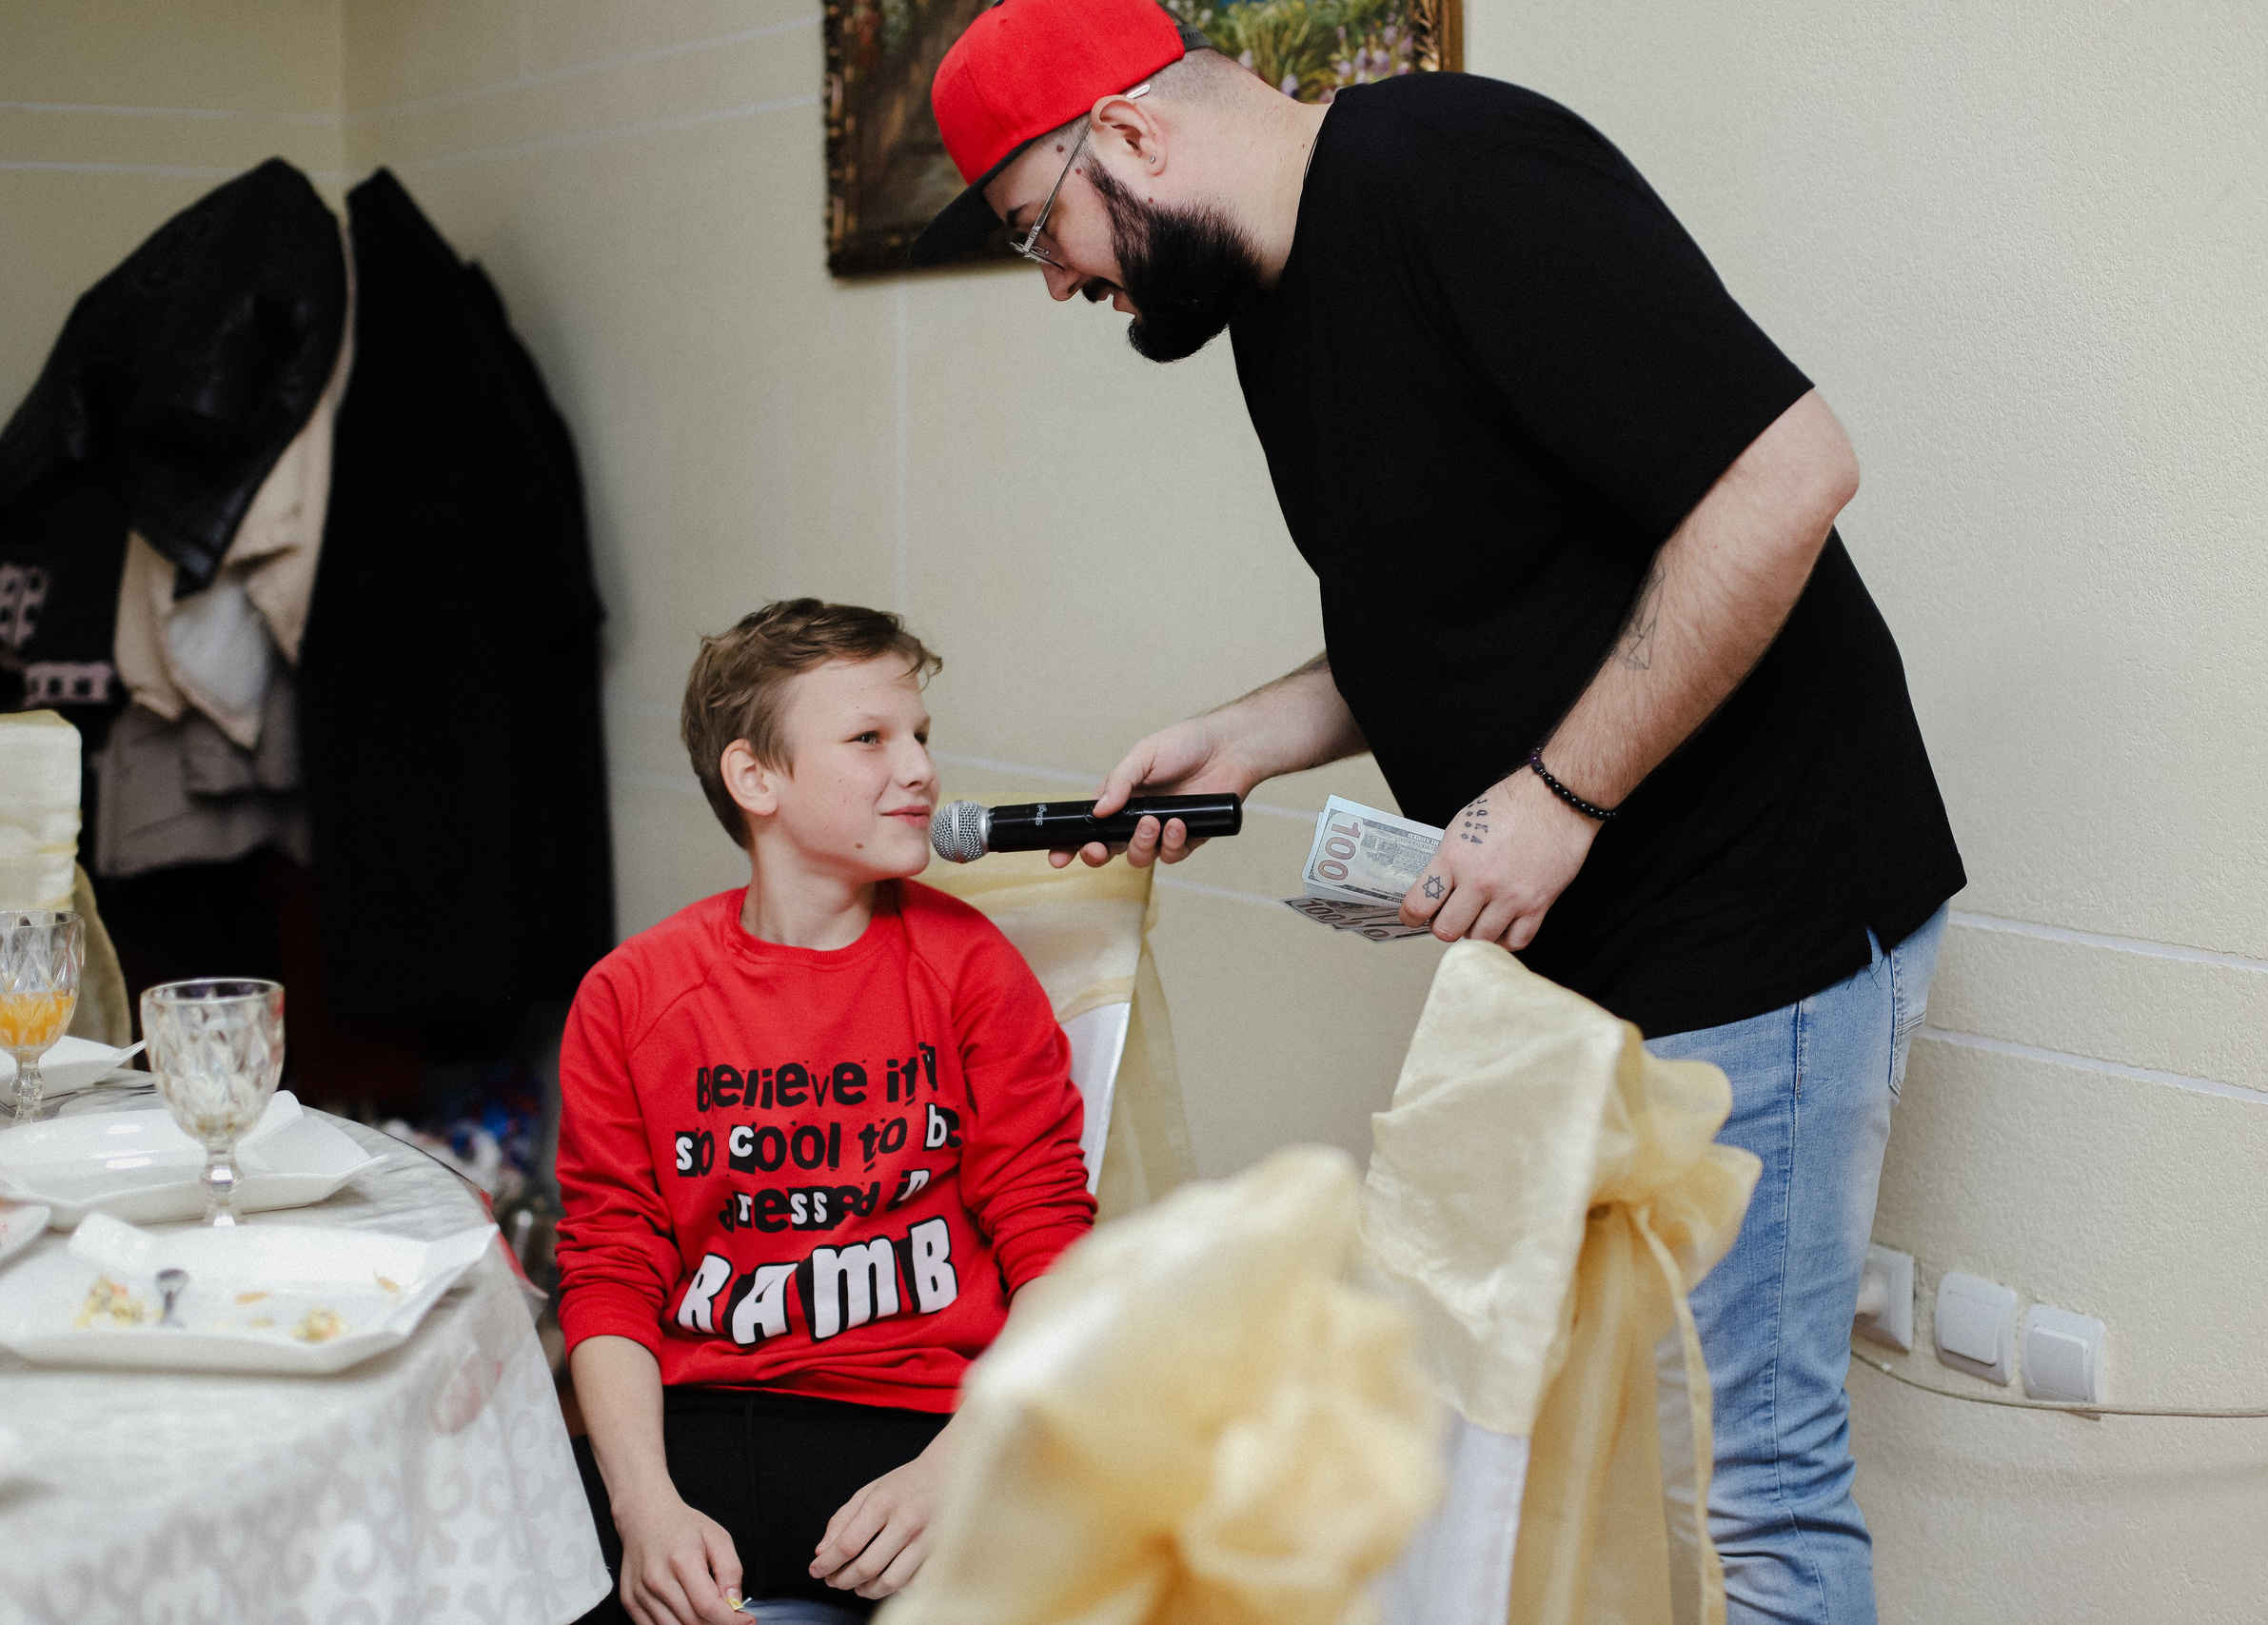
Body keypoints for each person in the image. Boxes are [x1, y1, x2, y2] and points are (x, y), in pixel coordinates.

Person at [912, 6, 1966, 1622]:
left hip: (1765, 903)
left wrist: (1559, 793)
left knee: (1752, 1490)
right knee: (1558, 1449)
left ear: (1125, 136)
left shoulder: (1453, 175)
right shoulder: (1267, 298)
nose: (1056, 279)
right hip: (1597, 942)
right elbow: (1458, 597)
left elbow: (1787, 478)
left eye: (1030, 227)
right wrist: (1244, 736)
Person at [554, 599, 1096, 1625]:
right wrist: (646, 1510)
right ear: (755, 779)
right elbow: (610, 1269)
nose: (921, 770)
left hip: (922, 1424)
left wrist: (957, 1470)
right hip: (697, 1425)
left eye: (920, 737)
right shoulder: (631, 996)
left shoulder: (971, 969)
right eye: (869, 740)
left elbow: (1052, 1245)